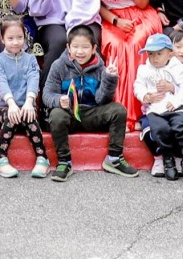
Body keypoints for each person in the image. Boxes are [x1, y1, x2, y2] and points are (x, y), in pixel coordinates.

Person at [41, 24, 138, 180]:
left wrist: (110, 79)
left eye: (85, 47)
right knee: (56, 115)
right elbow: (47, 94)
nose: (80, 52)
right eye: (75, 47)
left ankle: (114, 158)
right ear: (68, 47)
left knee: (118, 110)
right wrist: (59, 100)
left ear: (94, 49)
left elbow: (102, 100)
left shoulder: (100, 68)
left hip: (92, 113)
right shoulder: (58, 66)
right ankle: (64, 161)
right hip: (69, 114)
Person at [0, 22, 49, 179]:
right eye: (10, 38)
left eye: (19, 37)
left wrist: (29, 102)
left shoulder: (30, 59)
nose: (15, 42)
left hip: (26, 107)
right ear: (2, 39)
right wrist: (11, 104)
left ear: (25, 38)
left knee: (30, 119)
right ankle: (0, 158)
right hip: (5, 108)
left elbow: (33, 79)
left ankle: (42, 158)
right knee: (12, 117)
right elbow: (0, 82)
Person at [134, 32, 183, 180]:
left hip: (174, 107)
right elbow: (138, 86)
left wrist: (176, 100)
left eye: (159, 54)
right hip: (154, 109)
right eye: (150, 54)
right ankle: (167, 160)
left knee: (181, 125)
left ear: (170, 54)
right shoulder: (144, 69)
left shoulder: (177, 68)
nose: (154, 58)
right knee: (160, 130)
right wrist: (146, 96)